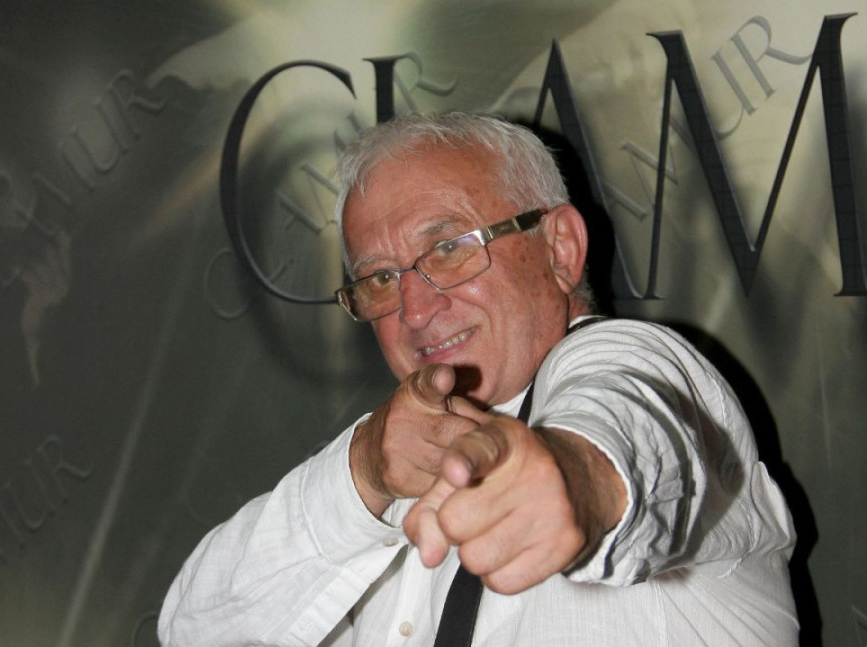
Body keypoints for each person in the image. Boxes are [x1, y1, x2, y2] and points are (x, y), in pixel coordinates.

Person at [158, 112, 798, 646]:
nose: (414, 309)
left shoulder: (642, 369)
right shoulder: (390, 481)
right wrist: (362, 474)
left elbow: (630, 422)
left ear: (560, 248)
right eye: (380, 278)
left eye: (448, 248)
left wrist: (575, 476)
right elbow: (192, 629)